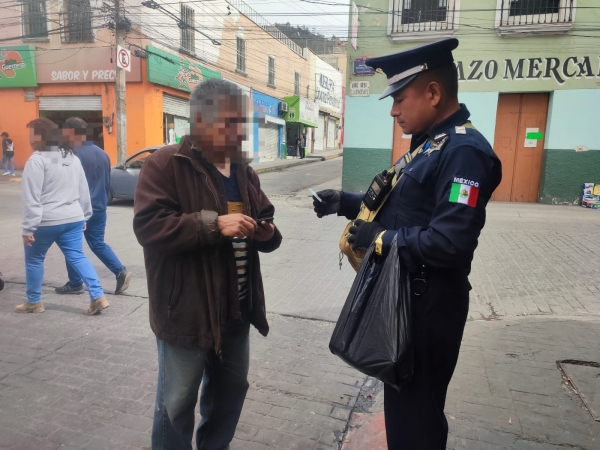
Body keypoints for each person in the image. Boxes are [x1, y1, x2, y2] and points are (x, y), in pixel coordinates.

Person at [313, 39, 502, 449]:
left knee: (417, 421)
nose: (394, 110)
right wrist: (345, 204)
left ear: (433, 93)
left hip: (428, 308)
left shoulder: (464, 152)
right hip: (406, 299)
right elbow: (406, 209)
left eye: (399, 98)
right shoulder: (430, 145)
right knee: (404, 415)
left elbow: (450, 242)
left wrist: (377, 239)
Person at [133, 79, 282, 450]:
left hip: (237, 310)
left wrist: (267, 234)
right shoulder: (166, 163)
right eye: (230, 122)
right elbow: (149, 227)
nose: (239, 131)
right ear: (201, 119)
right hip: (187, 313)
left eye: (242, 122)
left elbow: (265, 215)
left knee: (230, 393)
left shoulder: (244, 170)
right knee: (176, 404)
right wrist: (213, 224)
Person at [18, 118, 109, 315]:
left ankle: (34, 301)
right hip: (73, 218)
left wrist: (28, 227)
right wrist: (85, 216)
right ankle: (98, 295)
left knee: (34, 260)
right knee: (77, 256)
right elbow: (83, 190)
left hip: (47, 221)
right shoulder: (71, 157)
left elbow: (31, 197)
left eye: (34, 135)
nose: (30, 140)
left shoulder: (38, 159)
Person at [54, 117, 131, 296]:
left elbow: (67, 183)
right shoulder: (102, 153)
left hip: (79, 209)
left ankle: (75, 283)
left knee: (70, 245)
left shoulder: (72, 154)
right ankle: (120, 270)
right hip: (99, 207)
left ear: (72, 132)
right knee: (97, 243)